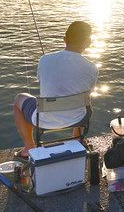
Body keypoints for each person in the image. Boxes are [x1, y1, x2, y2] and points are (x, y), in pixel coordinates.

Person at [13, 21, 98, 157]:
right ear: (88, 43)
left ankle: (29, 147)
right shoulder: (92, 68)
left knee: (19, 99)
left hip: (43, 119)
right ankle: (77, 139)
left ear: (64, 39)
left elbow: (42, 80)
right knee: (86, 99)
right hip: (78, 117)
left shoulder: (44, 60)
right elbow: (88, 92)